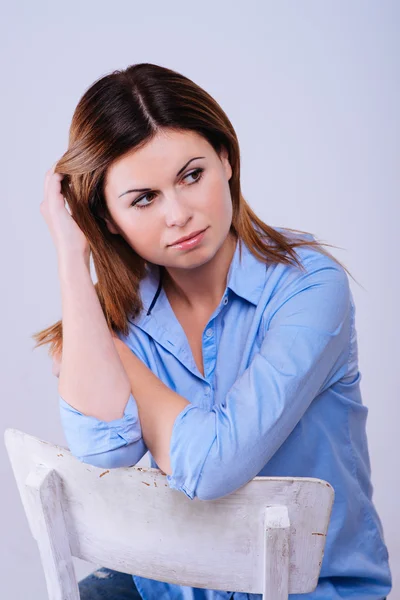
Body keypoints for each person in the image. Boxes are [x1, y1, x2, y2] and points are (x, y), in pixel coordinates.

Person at [33, 62, 392, 600]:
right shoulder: (113, 319)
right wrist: (70, 254)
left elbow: (213, 466)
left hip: (310, 592)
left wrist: (120, 361)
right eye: (143, 198)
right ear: (106, 218)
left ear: (225, 160)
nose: (178, 214)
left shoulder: (310, 286)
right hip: (171, 590)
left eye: (191, 175)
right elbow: (103, 452)